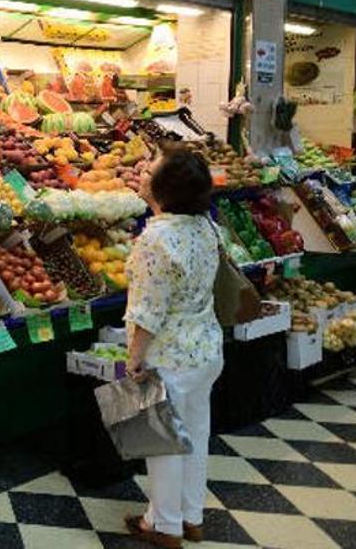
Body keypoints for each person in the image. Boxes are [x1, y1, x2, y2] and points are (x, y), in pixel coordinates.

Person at [123, 145, 224, 548]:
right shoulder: (205, 226)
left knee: (162, 443)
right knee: (196, 435)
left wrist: (134, 359)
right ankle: (190, 517)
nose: (143, 175)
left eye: (150, 171)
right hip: (205, 350)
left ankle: (164, 527)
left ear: (166, 187)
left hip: (169, 356)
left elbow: (149, 311)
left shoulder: (156, 238)